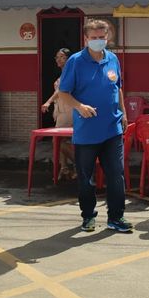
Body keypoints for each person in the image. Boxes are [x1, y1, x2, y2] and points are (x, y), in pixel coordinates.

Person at [58, 18, 132, 233]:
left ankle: (116, 217)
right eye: (94, 38)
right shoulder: (75, 61)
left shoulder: (113, 59)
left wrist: (124, 113)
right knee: (86, 178)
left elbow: (118, 88)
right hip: (87, 132)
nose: (98, 40)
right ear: (86, 39)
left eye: (102, 37)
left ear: (107, 37)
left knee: (116, 175)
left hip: (112, 129)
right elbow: (63, 93)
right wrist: (79, 106)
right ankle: (88, 216)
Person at [41, 47, 75, 180]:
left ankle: (78, 165)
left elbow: (60, 91)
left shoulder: (70, 72)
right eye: (57, 57)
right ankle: (64, 168)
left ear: (68, 59)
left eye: (62, 57)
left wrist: (48, 102)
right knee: (59, 140)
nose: (58, 60)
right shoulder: (63, 73)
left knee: (59, 140)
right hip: (61, 112)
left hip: (69, 111)